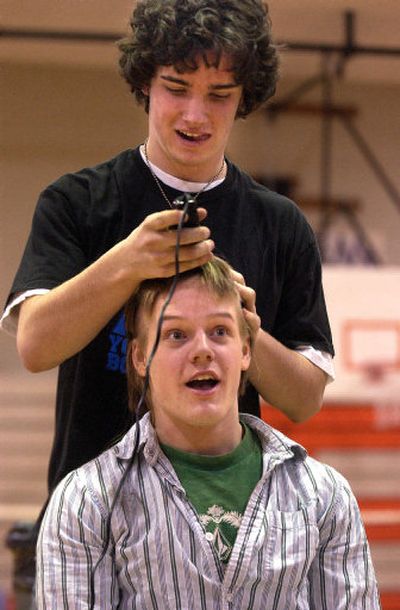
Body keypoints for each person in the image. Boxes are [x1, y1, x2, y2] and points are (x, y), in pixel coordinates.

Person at [1, 0, 334, 497]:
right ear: (145, 85)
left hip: (230, 519)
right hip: (96, 518)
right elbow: (34, 346)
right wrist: (128, 263)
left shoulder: (281, 225)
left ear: (244, 99)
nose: (196, 114)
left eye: (220, 95)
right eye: (176, 88)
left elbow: (305, 400)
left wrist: (244, 332)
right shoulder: (76, 202)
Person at [35, 257, 379, 609]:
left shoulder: (323, 495)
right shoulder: (87, 503)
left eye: (220, 331)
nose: (202, 350)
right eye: (176, 334)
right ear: (139, 357)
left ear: (246, 349)